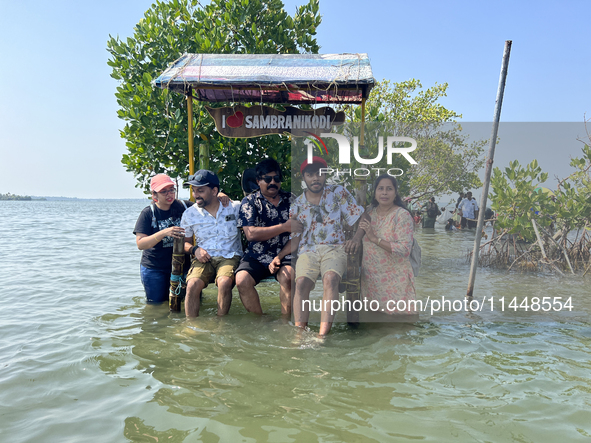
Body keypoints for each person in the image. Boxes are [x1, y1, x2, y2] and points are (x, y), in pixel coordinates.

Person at [290, 156, 364, 337]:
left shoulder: (338, 193)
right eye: (310, 174)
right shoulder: (297, 204)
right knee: (301, 283)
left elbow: (362, 217)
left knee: (330, 279)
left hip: (335, 248)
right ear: (303, 178)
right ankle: (299, 334)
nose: (315, 178)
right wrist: (280, 258)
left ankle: (322, 335)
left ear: (325, 176)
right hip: (308, 250)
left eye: (320, 174)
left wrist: (355, 239)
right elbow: (295, 237)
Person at [235, 158, 301, 317]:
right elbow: (250, 234)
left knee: (288, 277)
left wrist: (279, 256)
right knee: (241, 280)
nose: (273, 182)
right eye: (267, 179)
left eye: (276, 178)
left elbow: (298, 234)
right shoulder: (249, 202)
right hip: (256, 254)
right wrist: (283, 227)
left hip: (285, 253)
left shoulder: (292, 200)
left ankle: (285, 324)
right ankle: (260, 322)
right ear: (258, 181)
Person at [180, 170, 242, 317]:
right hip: (203, 257)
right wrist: (195, 250)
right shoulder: (189, 214)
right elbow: (184, 243)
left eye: (200, 191)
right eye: (194, 191)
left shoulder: (234, 207)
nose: (196, 195)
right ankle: (191, 326)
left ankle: (220, 324)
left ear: (214, 191)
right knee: (192, 284)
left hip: (229, 256)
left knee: (225, 282)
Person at [355, 174, 417, 319]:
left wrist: (374, 238)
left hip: (396, 282)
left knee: (398, 329)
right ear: (374, 192)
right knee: (374, 327)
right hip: (371, 281)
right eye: (380, 189)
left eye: (389, 189)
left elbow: (404, 249)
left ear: (395, 193)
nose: (384, 193)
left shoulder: (402, 215)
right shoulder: (368, 213)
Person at [134, 174, 194, 303]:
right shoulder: (148, 213)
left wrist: (220, 196)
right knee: (156, 306)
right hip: (155, 268)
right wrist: (163, 233)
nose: (169, 194)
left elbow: (207, 204)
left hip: (182, 265)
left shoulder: (185, 206)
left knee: (189, 302)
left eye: (171, 190)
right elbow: (140, 244)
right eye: (164, 191)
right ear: (154, 195)